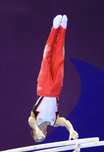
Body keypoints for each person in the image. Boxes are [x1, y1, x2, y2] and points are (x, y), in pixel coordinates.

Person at [28, 15, 79, 143]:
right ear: (45, 133)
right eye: (41, 138)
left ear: (35, 131)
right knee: (59, 58)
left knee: (47, 56)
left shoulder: (35, 119)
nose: (40, 136)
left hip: (43, 88)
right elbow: (65, 122)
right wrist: (71, 130)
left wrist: (36, 128)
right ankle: (63, 29)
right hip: (56, 90)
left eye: (37, 136)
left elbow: (30, 120)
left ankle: (54, 28)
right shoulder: (54, 122)